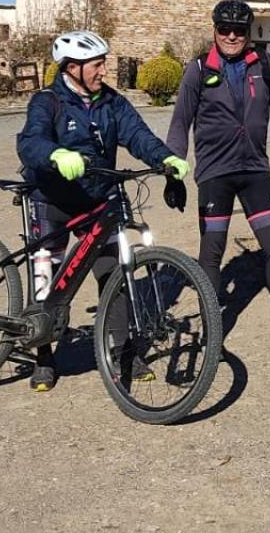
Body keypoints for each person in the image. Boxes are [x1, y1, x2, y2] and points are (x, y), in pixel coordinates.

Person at [16, 30, 190, 393]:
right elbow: (31, 140)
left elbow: (138, 137)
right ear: (73, 67)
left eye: (103, 63)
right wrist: (55, 155)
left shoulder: (112, 102)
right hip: (52, 199)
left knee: (114, 274)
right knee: (46, 276)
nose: (103, 70)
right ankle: (44, 356)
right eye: (97, 64)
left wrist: (166, 159)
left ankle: (124, 352)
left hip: (98, 199)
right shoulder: (48, 101)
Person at [166, 0, 270, 357]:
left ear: (248, 33)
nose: (232, 36)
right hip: (214, 174)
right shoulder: (199, 69)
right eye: (225, 29)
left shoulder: (264, 65)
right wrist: (173, 172)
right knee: (212, 252)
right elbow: (180, 123)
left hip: (254, 171)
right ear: (214, 30)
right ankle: (211, 336)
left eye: (240, 30)